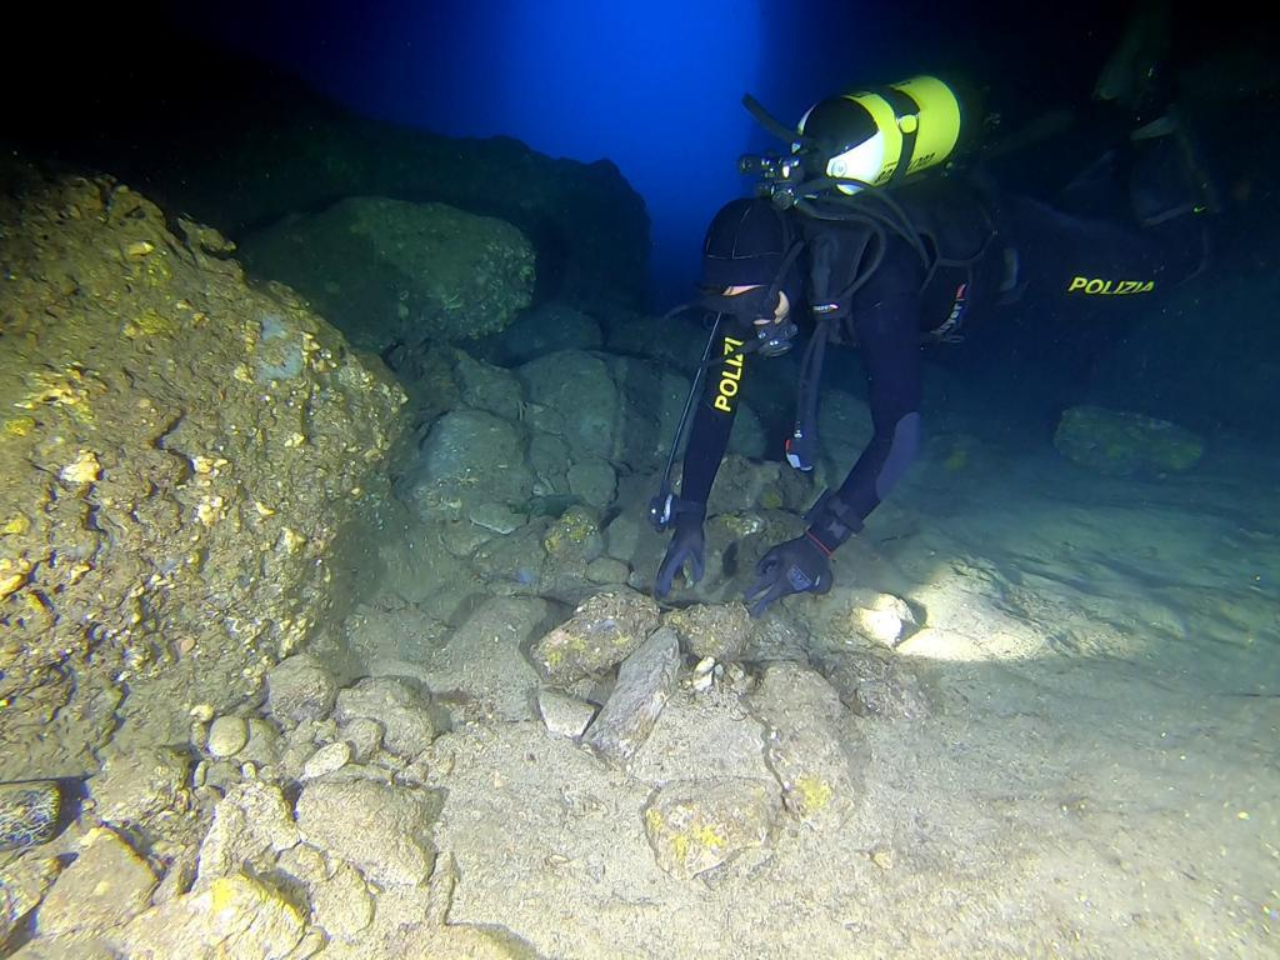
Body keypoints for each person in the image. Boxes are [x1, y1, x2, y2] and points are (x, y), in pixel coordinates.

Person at [651, 22, 1217, 617]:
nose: (752, 324)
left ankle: (1151, 112)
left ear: (786, 273)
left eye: (755, 305)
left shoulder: (874, 273)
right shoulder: (759, 282)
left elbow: (900, 430)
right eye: (731, 308)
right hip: (969, 227)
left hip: (1017, 251)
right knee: (1077, 170)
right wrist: (690, 515)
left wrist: (820, 543)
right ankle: (1101, 119)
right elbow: (720, 396)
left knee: (1175, 263)